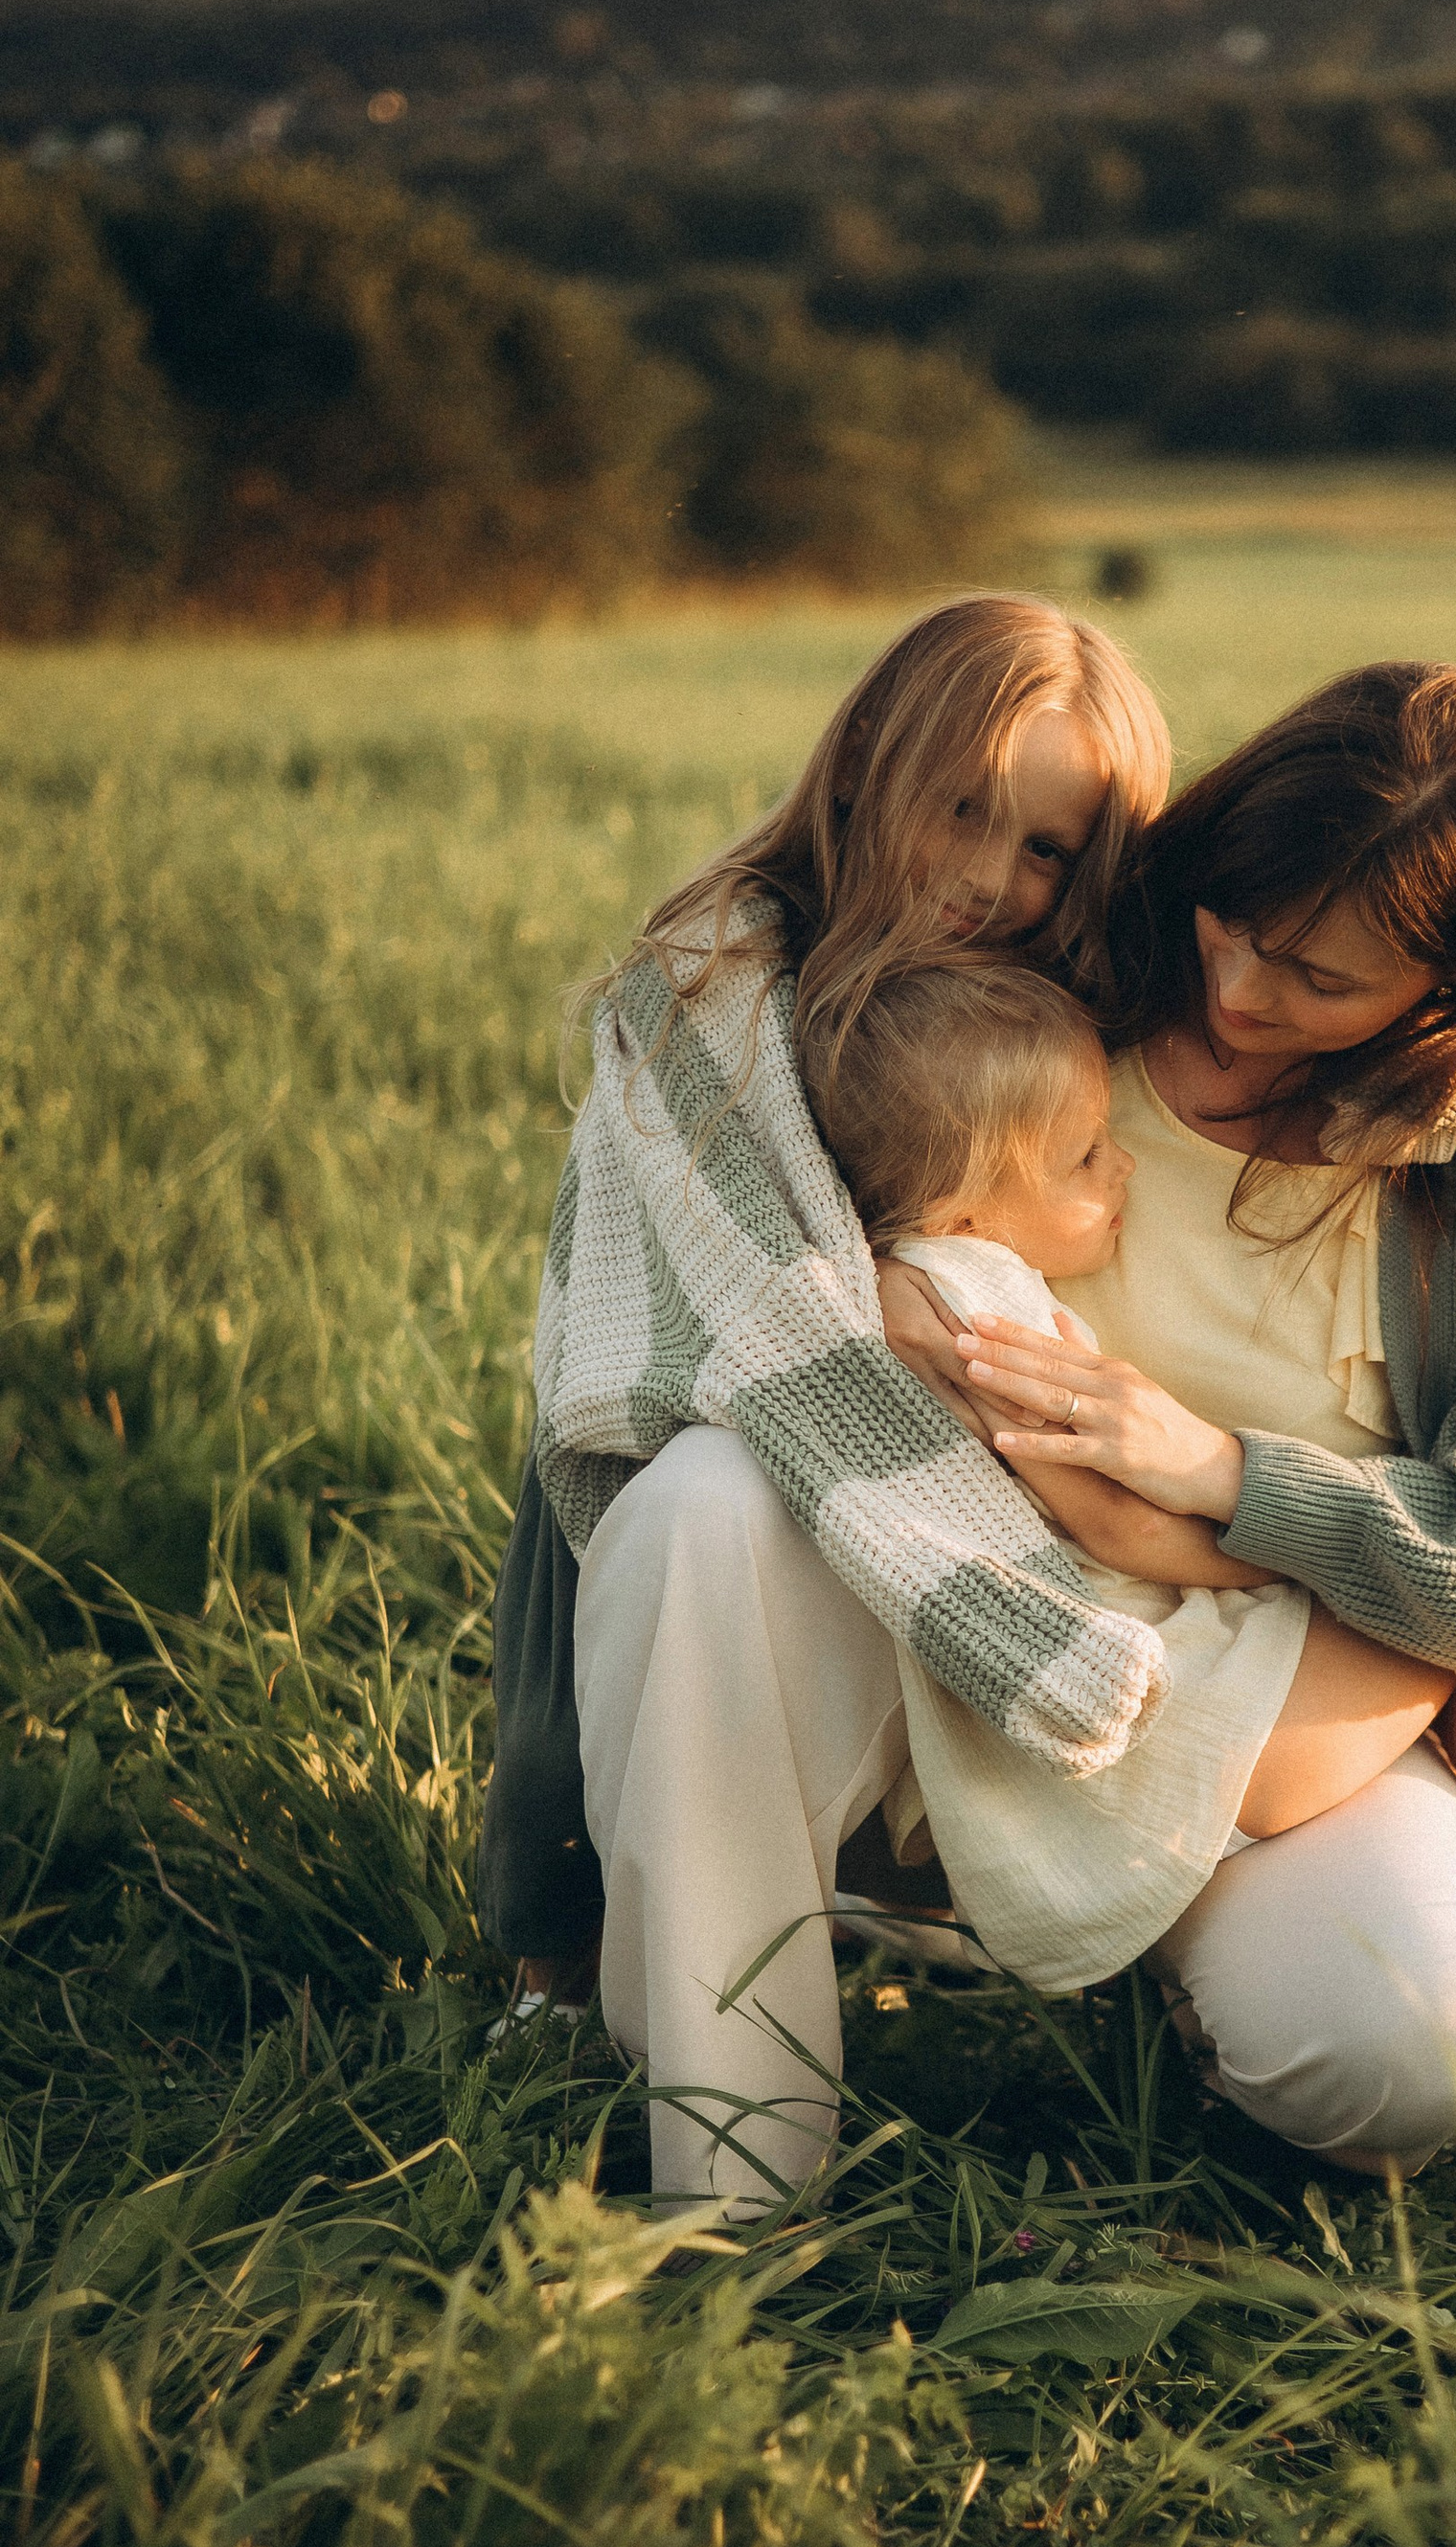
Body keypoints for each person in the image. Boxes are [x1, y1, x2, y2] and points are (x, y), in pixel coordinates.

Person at [478, 590, 1175, 2201]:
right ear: (867, 767)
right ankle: (735, 2160)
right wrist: (904, 1332)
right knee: (706, 1507)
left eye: (1053, 849)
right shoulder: (709, 986)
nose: (997, 882)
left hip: (1071, 1489)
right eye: (966, 816)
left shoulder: (1081, 995)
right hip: (770, 1466)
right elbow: (762, 1315)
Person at [812, 951, 1456, 2030]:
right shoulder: (990, 1333)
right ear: (966, 1210)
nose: (1122, 1167)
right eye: (1085, 1158)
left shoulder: (958, 1284)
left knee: (1452, 1579)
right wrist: (1307, 1543)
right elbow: (1114, 1524)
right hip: (1176, 1719)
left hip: (1178, 1673)